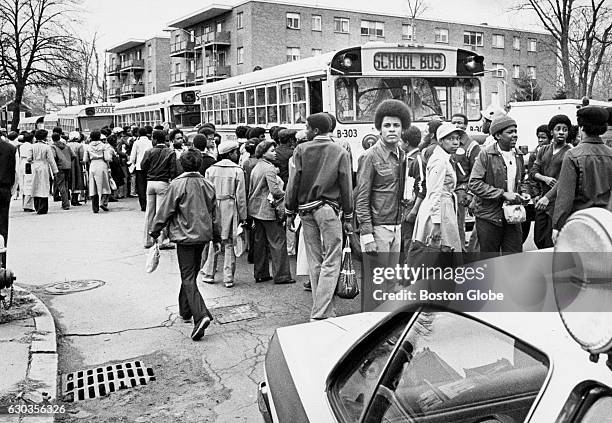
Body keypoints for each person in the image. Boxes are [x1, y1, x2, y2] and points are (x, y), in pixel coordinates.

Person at [285, 113, 353, 320]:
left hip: (305, 210)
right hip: (329, 210)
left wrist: (289, 210)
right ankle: (321, 312)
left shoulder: (300, 150)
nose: (305, 131)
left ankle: (325, 310)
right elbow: (346, 186)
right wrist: (348, 215)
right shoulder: (340, 152)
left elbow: (293, 182)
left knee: (315, 261)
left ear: (314, 130)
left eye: (306, 127)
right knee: (332, 259)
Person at [149, 149, 220, 341]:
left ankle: (201, 315)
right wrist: (218, 237)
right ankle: (185, 310)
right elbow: (215, 214)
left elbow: (164, 211)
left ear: (182, 164)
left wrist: (154, 231)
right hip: (204, 235)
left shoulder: (176, 185)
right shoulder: (208, 185)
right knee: (191, 274)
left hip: (184, 237)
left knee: (188, 276)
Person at [356, 99, 408, 257]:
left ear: (402, 129)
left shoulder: (402, 155)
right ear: (379, 129)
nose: (392, 130)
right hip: (378, 228)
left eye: (396, 125)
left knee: (390, 281)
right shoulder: (370, 156)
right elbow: (362, 197)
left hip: (397, 226)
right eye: (387, 126)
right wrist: (367, 235)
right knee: (376, 280)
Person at [469, 115, 528, 254]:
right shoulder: (486, 155)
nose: (515, 135)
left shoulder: (518, 155)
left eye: (515, 131)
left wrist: (524, 193)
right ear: (497, 135)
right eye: (510, 132)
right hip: (489, 217)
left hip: (513, 217)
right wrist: (502, 194)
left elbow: (523, 181)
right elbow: (474, 183)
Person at [553, 106, 612, 232]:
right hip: (607, 222)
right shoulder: (610, 154)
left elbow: (565, 197)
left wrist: (557, 226)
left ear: (581, 128)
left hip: (581, 222)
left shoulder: (572, 155)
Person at [201, 141, 247, 287]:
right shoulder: (237, 171)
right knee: (229, 243)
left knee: (214, 241)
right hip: (230, 206)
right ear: (231, 153)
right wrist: (243, 216)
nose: (237, 155)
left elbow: (206, 192)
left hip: (214, 206)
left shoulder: (210, 170)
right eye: (236, 152)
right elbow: (241, 197)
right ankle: (228, 277)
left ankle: (209, 273)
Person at [248, 140, 294, 284]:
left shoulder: (257, 166)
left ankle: (260, 273)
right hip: (269, 210)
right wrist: (287, 195)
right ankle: (282, 275)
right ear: (263, 153)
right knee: (278, 241)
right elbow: (275, 191)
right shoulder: (269, 168)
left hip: (256, 209)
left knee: (260, 243)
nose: (275, 153)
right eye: (272, 151)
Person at [413, 123, 463, 252]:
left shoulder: (444, 158)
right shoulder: (439, 160)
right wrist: (436, 224)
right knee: (440, 253)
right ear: (440, 141)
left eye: (457, 138)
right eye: (450, 139)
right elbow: (434, 193)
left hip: (444, 208)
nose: (455, 143)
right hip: (439, 210)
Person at [531, 115, 572, 249]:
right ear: (551, 132)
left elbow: (566, 180)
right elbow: (533, 172)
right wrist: (545, 178)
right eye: (558, 129)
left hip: (557, 203)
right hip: (541, 202)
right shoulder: (543, 150)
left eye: (565, 129)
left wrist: (548, 197)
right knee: (539, 239)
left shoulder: (570, 152)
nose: (561, 132)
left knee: (552, 242)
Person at [141, 130, 177, 249]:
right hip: (163, 183)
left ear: (155, 140)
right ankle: (162, 240)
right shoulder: (170, 152)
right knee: (161, 213)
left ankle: (147, 240)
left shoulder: (149, 151)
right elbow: (173, 170)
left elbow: (143, 166)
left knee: (149, 212)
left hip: (150, 183)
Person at [450, 113, 481, 249]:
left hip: (462, 189)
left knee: (458, 224)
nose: (457, 125)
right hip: (449, 188)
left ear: (466, 125)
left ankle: (461, 250)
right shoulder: (449, 142)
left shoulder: (471, 145)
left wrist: (470, 192)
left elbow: (476, 170)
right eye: (454, 122)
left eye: (460, 122)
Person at [399, 126, 425, 258]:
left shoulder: (418, 160)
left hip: (411, 207)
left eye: (400, 141)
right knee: (404, 239)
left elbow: (422, 186)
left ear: (407, 143)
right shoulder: (405, 158)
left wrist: (414, 210)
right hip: (404, 206)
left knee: (410, 240)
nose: (399, 143)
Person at [28, 129, 58, 215]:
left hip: (35, 166)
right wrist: (55, 171)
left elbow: (28, 158)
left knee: (35, 185)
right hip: (44, 166)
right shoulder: (47, 147)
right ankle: (43, 208)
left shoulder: (32, 146)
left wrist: (33, 161)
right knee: (44, 186)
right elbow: (51, 160)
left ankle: (36, 206)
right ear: (44, 137)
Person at [83, 130, 113, 213]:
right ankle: (103, 202)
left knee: (93, 186)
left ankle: (95, 207)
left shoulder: (88, 147)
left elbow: (85, 159)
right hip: (102, 164)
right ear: (100, 137)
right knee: (105, 185)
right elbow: (107, 158)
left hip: (93, 165)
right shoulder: (104, 146)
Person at [0, 134, 16, 267]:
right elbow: (13, 173)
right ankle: (1, 265)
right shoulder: (10, 148)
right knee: (2, 229)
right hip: (3, 190)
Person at [129, 127, 153, 211]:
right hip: (149, 167)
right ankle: (150, 204)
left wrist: (131, 163)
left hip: (139, 167)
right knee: (148, 185)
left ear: (139, 134)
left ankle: (143, 205)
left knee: (141, 187)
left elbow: (133, 156)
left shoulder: (136, 143)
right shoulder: (150, 142)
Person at [51, 132, 74, 210]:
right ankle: (66, 201)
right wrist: (68, 161)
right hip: (68, 166)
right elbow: (73, 155)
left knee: (61, 185)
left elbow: (53, 157)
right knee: (66, 184)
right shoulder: (66, 146)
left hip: (59, 167)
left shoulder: (53, 147)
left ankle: (66, 204)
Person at [66, 131, 85, 206]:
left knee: (70, 181)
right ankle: (75, 199)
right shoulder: (79, 146)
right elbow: (81, 157)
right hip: (77, 165)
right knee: (77, 180)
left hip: (68, 164)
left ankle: (69, 198)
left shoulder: (67, 145)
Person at [18, 133, 35, 212]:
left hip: (22, 164)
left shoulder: (21, 146)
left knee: (23, 183)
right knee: (29, 184)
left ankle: (24, 203)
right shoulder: (31, 146)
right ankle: (28, 205)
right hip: (28, 165)